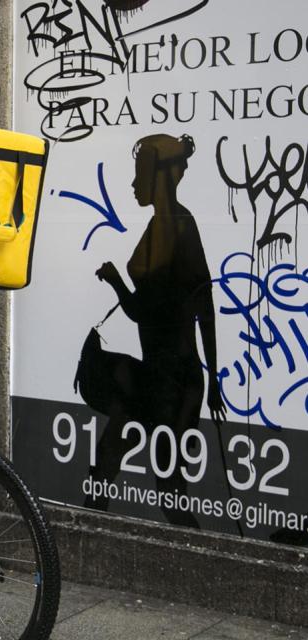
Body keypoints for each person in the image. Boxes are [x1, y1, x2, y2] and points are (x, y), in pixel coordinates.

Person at [85, 133, 226, 526]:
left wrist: (213, 379)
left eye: (140, 173)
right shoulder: (156, 227)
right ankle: (84, 537)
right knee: (106, 463)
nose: (133, 183)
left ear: (160, 176)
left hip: (177, 379)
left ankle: (200, 555)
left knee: (169, 488)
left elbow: (204, 304)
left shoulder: (181, 225)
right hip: (156, 374)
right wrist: (116, 282)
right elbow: (142, 311)